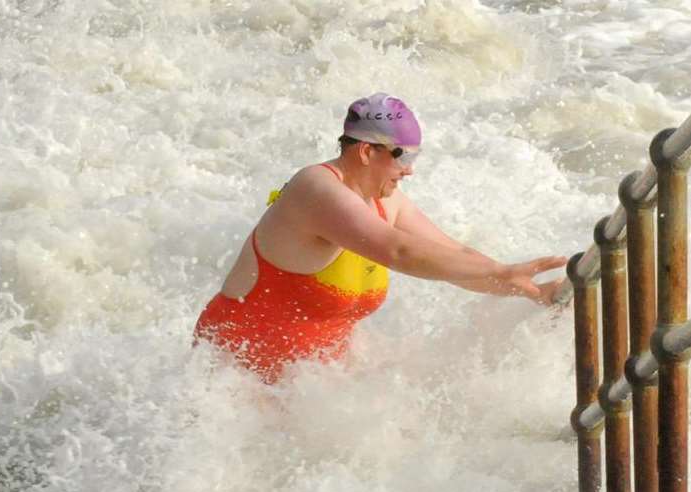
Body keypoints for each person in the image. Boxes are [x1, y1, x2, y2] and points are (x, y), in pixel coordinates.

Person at [194, 93, 567, 383]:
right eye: (403, 156)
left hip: (311, 382)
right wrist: (502, 271)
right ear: (367, 151)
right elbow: (399, 251)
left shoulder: (387, 202)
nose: (409, 171)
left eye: (416, 157)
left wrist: (528, 289)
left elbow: (455, 256)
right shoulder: (315, 189)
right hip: (236, 379)